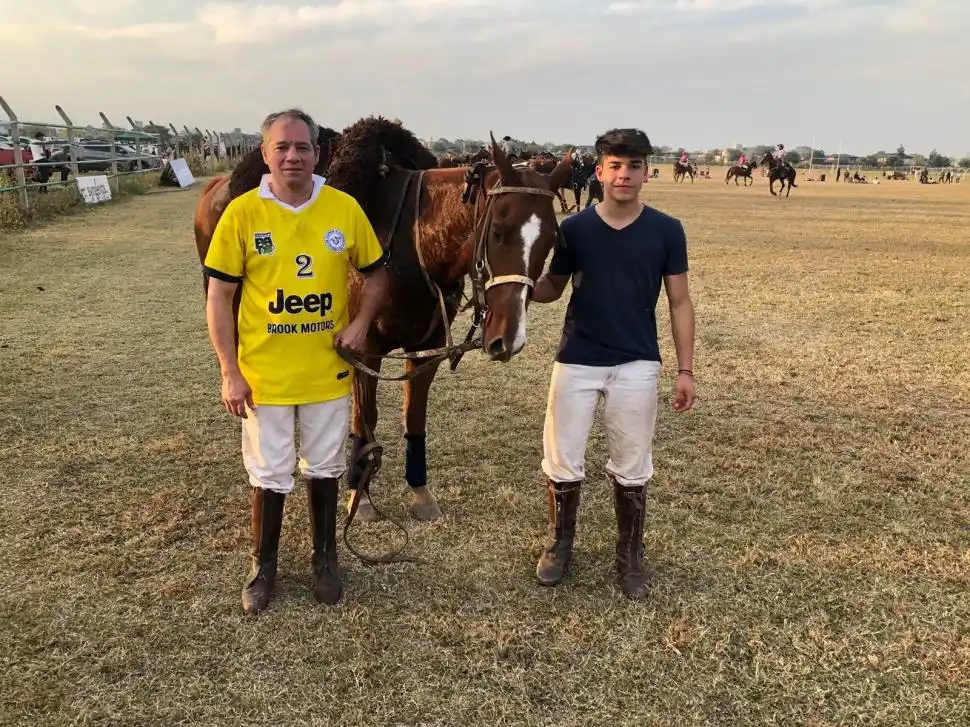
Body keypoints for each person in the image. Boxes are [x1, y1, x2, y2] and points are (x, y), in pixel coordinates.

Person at [203, 108, 389, 615]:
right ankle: (263, 566)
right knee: (269, 472)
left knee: (326, 466)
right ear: (265, 154)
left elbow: (376, 275)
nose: (292, 156)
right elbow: (219, 297)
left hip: (326, 372)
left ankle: (325, 560)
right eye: (281, 147)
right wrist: (229, 371)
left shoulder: (343, 208)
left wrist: (359, 324)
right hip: (264, 377)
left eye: (302, 147)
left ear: (318, 153)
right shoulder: (242, 213)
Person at [529, 127, 696, 601]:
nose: (625, 175)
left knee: (633, 463)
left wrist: (685, 370)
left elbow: (680, 302)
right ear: (600, 171)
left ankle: (630, 553)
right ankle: (561, 544)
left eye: (634, 166)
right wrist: (514, 289)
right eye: (616, 166)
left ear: (646, 172)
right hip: (578, 358)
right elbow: (551, 288)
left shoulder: (666, 230)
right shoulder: (574, 228)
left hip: (637, 361)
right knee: (562, 458)